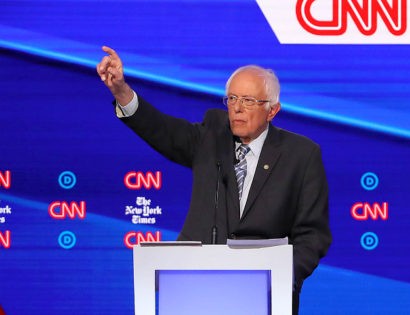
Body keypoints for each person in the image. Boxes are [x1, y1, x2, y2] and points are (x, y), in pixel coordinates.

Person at [97, 46, 332, 314]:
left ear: (272, 111)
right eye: (232, 99)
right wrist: (121, 92)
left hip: (266, 296)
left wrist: (283, 276)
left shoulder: (301, 155)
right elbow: (161, 130)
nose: (238, 109)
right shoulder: (212, 136)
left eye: (248, 101)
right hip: (195, 287)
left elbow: (313, 234)